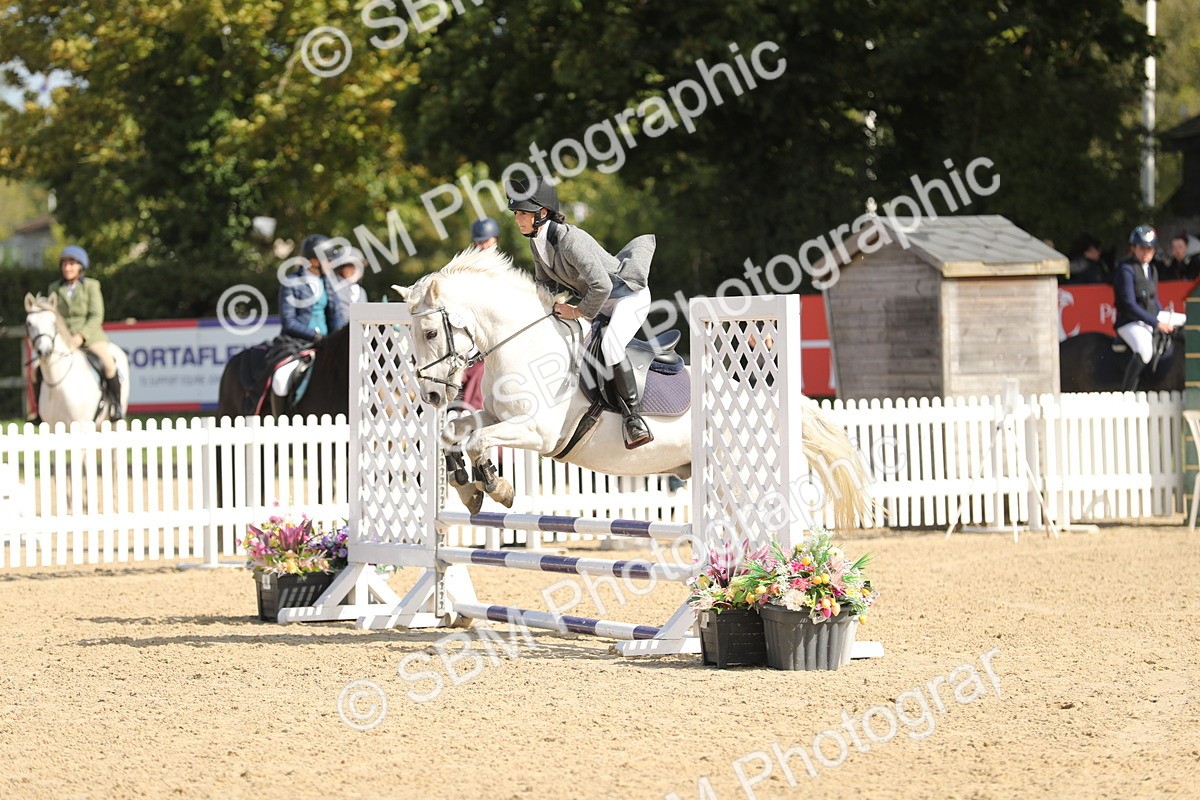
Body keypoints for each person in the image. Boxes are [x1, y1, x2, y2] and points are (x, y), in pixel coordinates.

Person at [505, 176, 656, 448]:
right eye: (516, 213)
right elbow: (545, 284)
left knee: (610, 346)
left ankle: (633, 419)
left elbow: (602, 285)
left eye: (522, 213)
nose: (517, 219)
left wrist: (577, 313)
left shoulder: (571, 240)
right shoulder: (537, 241)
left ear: (542, 213)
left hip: (627, 297)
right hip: (599, 302)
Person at [44, 244, 123, 420]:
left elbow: (96, 315)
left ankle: (115, 406)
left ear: (80, 266)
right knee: (36, 369)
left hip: (91, 338)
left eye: (71, 264)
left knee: (109, 364)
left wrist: (81, 336)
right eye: (64, 264)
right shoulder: (54, 288)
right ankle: (37, 412)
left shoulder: (91, 286)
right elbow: (53, 316)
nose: (67, 268)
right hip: (64, 340)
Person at [270, 234, 348, 408]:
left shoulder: (328, 283)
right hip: (298, 344)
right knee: (281, 378)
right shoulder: (291, 283)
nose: (331, 264)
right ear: (314, 261)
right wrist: (316, 336)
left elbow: (336, 315)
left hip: (327, 345)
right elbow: (289, 322)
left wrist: (339, 336)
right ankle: (281, 418)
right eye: (328, 260)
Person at [1113, 225, 1175, 391]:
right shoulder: (1125, 270)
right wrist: (1156, 323)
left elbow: (1154, 301)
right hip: (1129, 322)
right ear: (1133, 248)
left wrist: (1163, 315)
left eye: (1150, 249)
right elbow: (1130, 305)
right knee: (1145, 350)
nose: (1146, 252)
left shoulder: (1152, 270)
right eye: (1142, 248)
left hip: (1147, 321)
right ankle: (1127, 392)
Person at [459, 220, 502, 411]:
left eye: (486, 241)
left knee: (479, 379)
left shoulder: (503, 269)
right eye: (478, 242)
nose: (481, 246)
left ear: (496, 240)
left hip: (495, 339)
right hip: (470, 338)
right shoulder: (466, 269)